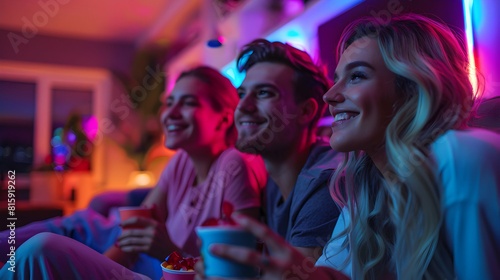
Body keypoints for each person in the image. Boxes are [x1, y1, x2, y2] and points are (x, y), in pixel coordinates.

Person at [203, 14, 500, 280]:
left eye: (356, 76)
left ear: (411, 88)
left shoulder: (462, 158)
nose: (330, 96)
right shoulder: (366, 181)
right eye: (336, 80)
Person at [0, 66, 267, 279]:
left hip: (160, 273)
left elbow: (238, 270)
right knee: (62, 232)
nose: (170, 113)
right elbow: (131, 237)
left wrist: (170, 251)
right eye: (169, 102)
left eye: (187, 103)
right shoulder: (180, 162)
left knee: (44, 247)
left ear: (223, 118)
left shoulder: (235, 166)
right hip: (139, 263)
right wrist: (89, 268)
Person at [233, 39, 343, 261]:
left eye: (264, 93)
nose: (243, 106)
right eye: (242, 94)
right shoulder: (272, 182)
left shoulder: (324, 185)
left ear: (306, 111)